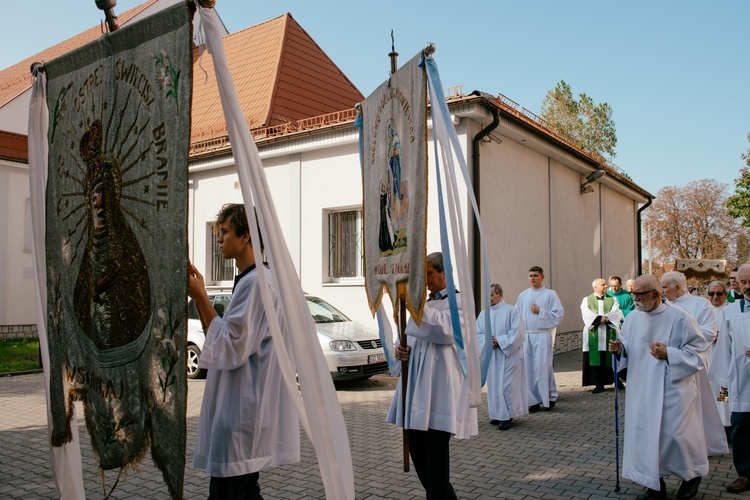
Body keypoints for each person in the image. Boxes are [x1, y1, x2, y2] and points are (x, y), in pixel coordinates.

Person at [188, 204, 300, 500]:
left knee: (229, 492)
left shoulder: (256, 284)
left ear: (246, 235)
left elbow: (231, 346)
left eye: (224, 232)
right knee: (245, 491)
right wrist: (201, 300)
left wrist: (200, 295)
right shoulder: (254, 279)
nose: (219, 239)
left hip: (241, 410)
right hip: (241, 407)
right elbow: (223, 333)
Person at [609, 275, 708, 500]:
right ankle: (655, 485)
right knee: (646, 438)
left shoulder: (680, 318)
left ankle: (691, 478)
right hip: (641, 389)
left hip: (672, 390)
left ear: (656, 294)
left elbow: (699, 353)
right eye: (633, 293)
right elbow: (627, 344)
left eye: (640, 294)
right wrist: (619, 348)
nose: (634, 298)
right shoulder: (633, 318)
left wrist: (670, 354)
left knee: (678, 436)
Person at [386, 252, 477, 499]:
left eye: (429, 273)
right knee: (417, 451)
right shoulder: (422, 304)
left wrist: (414, 306)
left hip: (439, 390)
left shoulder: (460, 303)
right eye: (422, 274)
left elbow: (446, 331)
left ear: (444, 272)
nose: (425, 279)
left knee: (436, 459)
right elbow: (406, 335)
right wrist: (400, 348)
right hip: (415, 388)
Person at [661, 271, 728, 457]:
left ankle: (703, 445)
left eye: (665, 287)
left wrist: (677, 348)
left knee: (697, 407)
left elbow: (708, 333)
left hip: (693, 363)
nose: (662, 291)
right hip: (668, 364)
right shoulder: (663, 306)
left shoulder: (700, 304)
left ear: (677, 287)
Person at [710, 263, 750, 494]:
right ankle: (745, 474)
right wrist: (723, 384)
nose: (747, 286)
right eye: (743, 282)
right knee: (741, 428)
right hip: (741, 382)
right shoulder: (732, 312)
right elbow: (723, 347)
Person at [476, 283, 527, 430]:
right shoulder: (484, 314)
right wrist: (487, 341)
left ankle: (507, 416)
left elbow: (518, 333)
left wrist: (500, 341)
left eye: (492, 295)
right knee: (493, 386)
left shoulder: (511, 311)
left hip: (508, 355)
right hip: (492, 356)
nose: (489, 298)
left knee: (506, 386)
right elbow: (477, 332)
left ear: (500, 295)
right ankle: (497, 414)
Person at [516, 266, 564, 412]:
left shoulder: (550, 294)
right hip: (528, 335)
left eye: (536, 275)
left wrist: (540, 312)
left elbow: (558, 315)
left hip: (542, 335)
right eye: (530, 275)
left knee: (544, 366)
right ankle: (533, 400)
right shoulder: (522, 296)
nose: (532, 278)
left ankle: (549, 396)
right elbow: (516, 316)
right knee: (529, 368)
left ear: (542, 277)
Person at [581, 278, 622, 394]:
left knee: (608, 356)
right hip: (593, 332)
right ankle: (598, 384)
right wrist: (599, 319)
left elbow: (615, 312)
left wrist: (605, 319)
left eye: (605, 285)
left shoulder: (612, 299)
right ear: (595, 287)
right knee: (595, 358)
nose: (605, 287)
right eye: (603, 285)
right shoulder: (586, 300)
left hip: (608, 330)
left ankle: (614, 380)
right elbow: (586, 312)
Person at [706, 281, 731, 434]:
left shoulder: (730, 311)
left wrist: (721, 337)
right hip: (706, 359)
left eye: (719, 293)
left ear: (725, 295)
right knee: (709, 394)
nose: (715, 297)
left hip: (724, 361)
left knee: (723, 395)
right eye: (711, 293)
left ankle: (726, 425)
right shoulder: (704, 311)